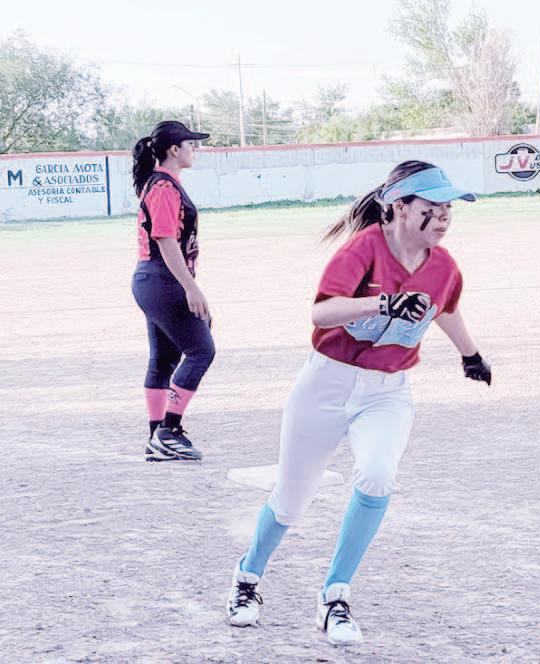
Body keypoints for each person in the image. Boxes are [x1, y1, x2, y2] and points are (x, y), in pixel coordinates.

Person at [225, 160, 492, 645]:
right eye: (432, 206)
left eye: (448, 207)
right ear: (399, 208)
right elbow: (322, 311)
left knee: (377, 475)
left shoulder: (444, 266)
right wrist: (382, 303)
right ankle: (247, 579)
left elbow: (445, 309)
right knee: (291, 498)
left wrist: (470, 354)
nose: (443, 216)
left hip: (387, 391)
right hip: (325, 385)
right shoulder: (363, 249)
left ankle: (335, 596)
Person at [131, 121, 215, 461]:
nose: (194, 150)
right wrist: (191, 289)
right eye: (190, 144)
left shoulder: (162, 183)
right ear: (174, 149)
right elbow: (165, 241)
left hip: (153, 281)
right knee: (201, 350)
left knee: (164, 359)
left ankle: (156, 437)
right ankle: (169, 429)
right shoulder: (164, 187)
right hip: (162, 279)